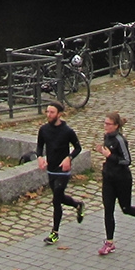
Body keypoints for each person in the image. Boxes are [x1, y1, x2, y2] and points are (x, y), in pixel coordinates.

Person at [96, 111, 135, 256]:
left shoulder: (120, 140)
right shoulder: (106, 136)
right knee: (108, 209)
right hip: (108, 177)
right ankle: (109, 242)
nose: (105, 126)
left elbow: (127, 161)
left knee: (126, 208)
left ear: (115, 126)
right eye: (104, 123)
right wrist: (104, 154)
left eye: (108, 124)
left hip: (122, 179)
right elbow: (109, 155)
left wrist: (110, 156)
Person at [36, 101, 84, 246]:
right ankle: (78, 205)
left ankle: (54, 233)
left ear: (59, 114)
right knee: (60, 197)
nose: (48, 115)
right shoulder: (43, 130)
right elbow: (39, 146)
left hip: (63, 171)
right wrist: (39, 157)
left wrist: (69, 158)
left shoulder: (67, 131)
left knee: (56, 199)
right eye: (47, 112)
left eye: (51, 112)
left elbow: (78, 148)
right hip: (51, 169)